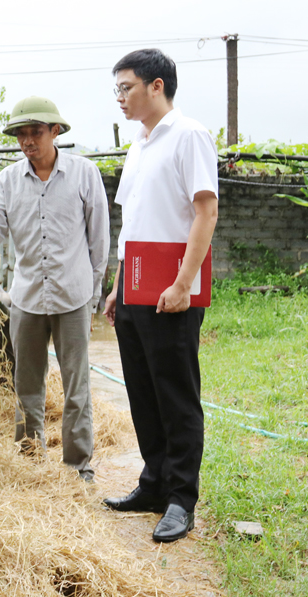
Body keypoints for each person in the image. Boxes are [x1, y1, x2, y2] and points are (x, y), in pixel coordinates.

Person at [101, 49, 219, 543]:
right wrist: (117, 286)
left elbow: (205, 212)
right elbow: (132, 224)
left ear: (156, 86)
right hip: (135, 288)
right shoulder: (138, 145)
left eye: (126, 87)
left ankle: (180, 499)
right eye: (117, 90)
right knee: (143, 392)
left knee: (176, 395)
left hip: (172, 292)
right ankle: (152, 484)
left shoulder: (188, 135)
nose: (120, 98)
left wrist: (182, 284)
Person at [0, 96, 109, 481]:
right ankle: (30, 456)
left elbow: (99, 239)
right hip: (29, 296)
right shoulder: (7, 181)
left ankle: (78, 463)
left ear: (55, 131)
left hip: (73, 294)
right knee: (26, 383)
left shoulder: (84, 174)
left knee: (76, 382)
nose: (27, 140)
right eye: (21, 133)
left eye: (36, 131)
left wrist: (94, 291)